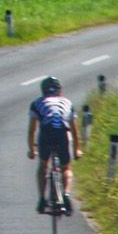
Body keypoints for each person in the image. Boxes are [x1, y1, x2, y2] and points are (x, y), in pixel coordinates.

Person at [27, 75, 80, 215]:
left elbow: (32, 130)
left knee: (43, 166)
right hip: (62, 134)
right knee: (66, 168)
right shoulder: (67, 102)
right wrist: (76, 150)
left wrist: (32, 150)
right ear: (59, 90)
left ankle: (42, 199)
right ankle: (66, 194)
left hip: (46, 134)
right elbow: (74, 131)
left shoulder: (37, 103)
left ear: (43, 90)